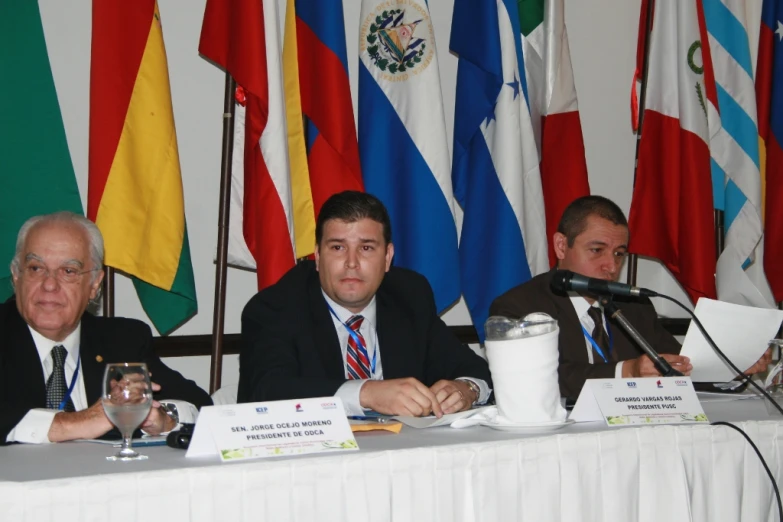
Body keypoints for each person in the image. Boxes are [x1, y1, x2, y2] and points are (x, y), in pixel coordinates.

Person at [239, 191, 492, 417]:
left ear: (387, 257)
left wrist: (465, 389)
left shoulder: (409, 296)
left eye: (367, 248)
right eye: (338, 247)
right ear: (317, 257)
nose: (351, 262)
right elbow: (267, 392)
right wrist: (367, 393)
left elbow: (475, 369)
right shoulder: (276, 307)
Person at [490, 195, 771, 399]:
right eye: (596, 250)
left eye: (619, 254)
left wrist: (730, 369)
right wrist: (627, 372)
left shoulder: (633, 305)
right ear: (562, 246)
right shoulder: (520, 306)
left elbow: (678, 370)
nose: (611, 267)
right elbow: (538, 382)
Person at [0, 212, 212, 445]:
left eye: (68, 271)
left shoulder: (122, 339)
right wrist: (81, 421)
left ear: (94, 285)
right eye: (35, 268)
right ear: (16, 276)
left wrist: (163, 418)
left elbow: (202, 406)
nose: (49, 285)